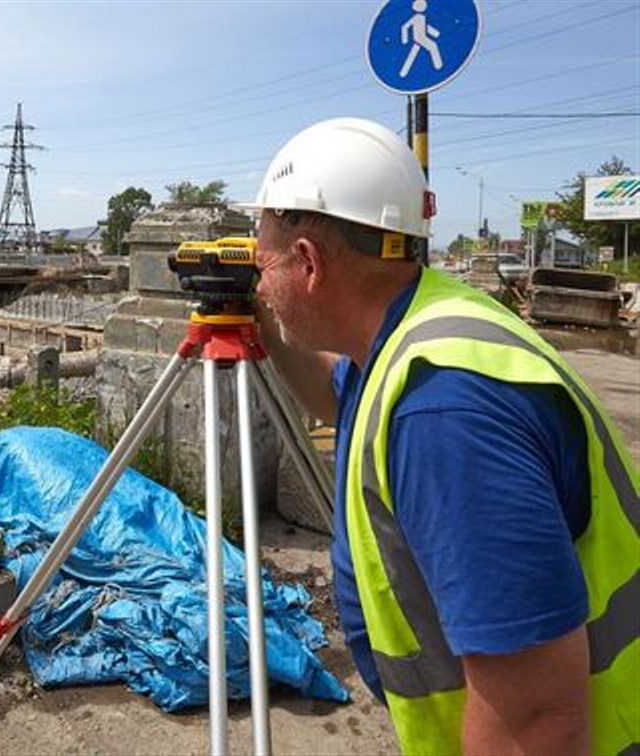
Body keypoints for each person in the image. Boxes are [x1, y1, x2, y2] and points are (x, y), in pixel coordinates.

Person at [243, 117, 637, 755]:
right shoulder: (418, 322)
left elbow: (535, 723)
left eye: (262, 263)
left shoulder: (443, 412)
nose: (257, 276)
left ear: (309, 263)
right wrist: (260, 311)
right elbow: (335, 395)